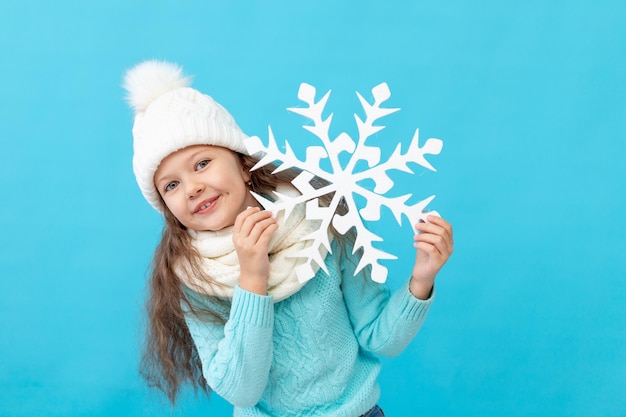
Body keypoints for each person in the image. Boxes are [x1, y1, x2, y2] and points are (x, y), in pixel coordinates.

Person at [123, 60, 454, 417]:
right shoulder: (192, 278)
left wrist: (421, 279)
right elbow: (241, 389)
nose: (192, 187)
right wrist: (252, 277)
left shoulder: (321, 219)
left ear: (243, 165)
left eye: (202, 163)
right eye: (171, 185)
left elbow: (380, 338)